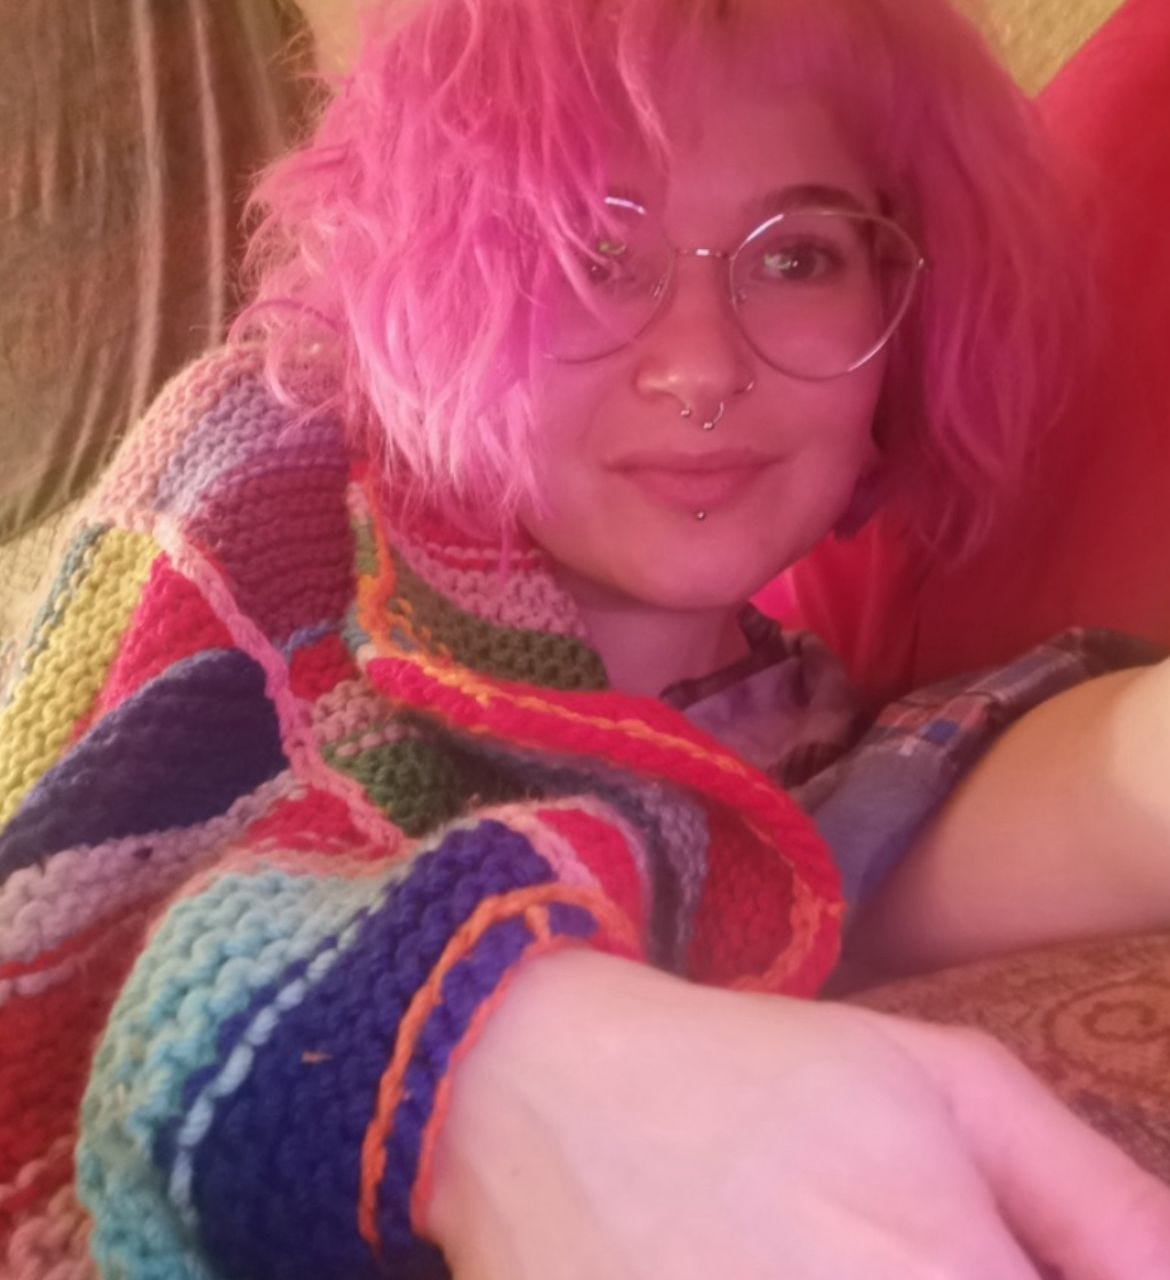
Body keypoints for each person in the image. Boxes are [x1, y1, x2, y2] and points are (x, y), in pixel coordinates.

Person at [2, 0, 1170, 1277]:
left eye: (799, 256)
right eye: (588, 253)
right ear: (437, 281)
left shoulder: (806, 734)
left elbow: (961, 808)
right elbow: (81, 953)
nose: (702, 368)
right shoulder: (266, 465)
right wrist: (462, 1043)